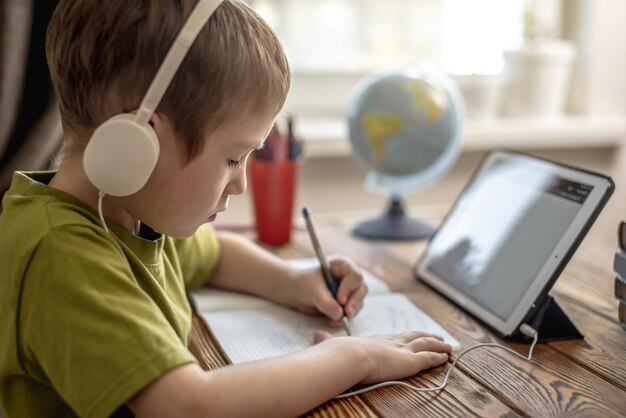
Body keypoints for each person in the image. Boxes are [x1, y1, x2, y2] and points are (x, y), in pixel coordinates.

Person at [0, 0, 452, 416]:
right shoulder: (61, 255)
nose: (240, 182)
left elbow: (213, 254)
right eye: (234, 157)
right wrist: (354, 355)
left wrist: (293, 280)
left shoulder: (126, 215)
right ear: (140, 139)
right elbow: (189, 407)